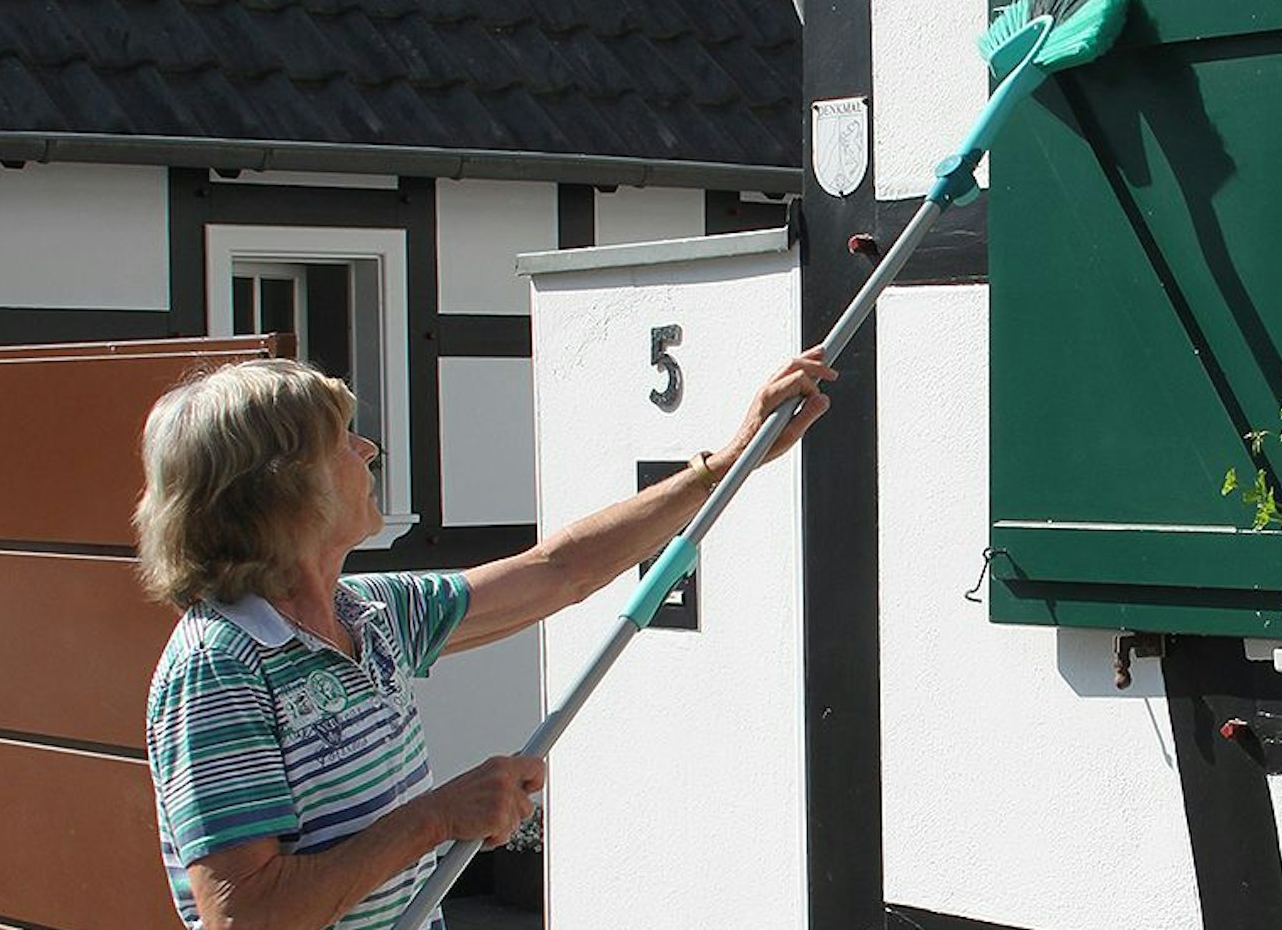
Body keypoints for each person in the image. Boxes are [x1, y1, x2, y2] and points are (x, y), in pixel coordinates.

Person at [137, 352, 833, 929]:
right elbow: (244, 916)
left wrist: (729, 462)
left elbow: (559, 571)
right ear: (281, 490)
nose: (368, 450)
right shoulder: (218, 668)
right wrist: (438, 817)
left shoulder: (368, 615)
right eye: (341, 441)